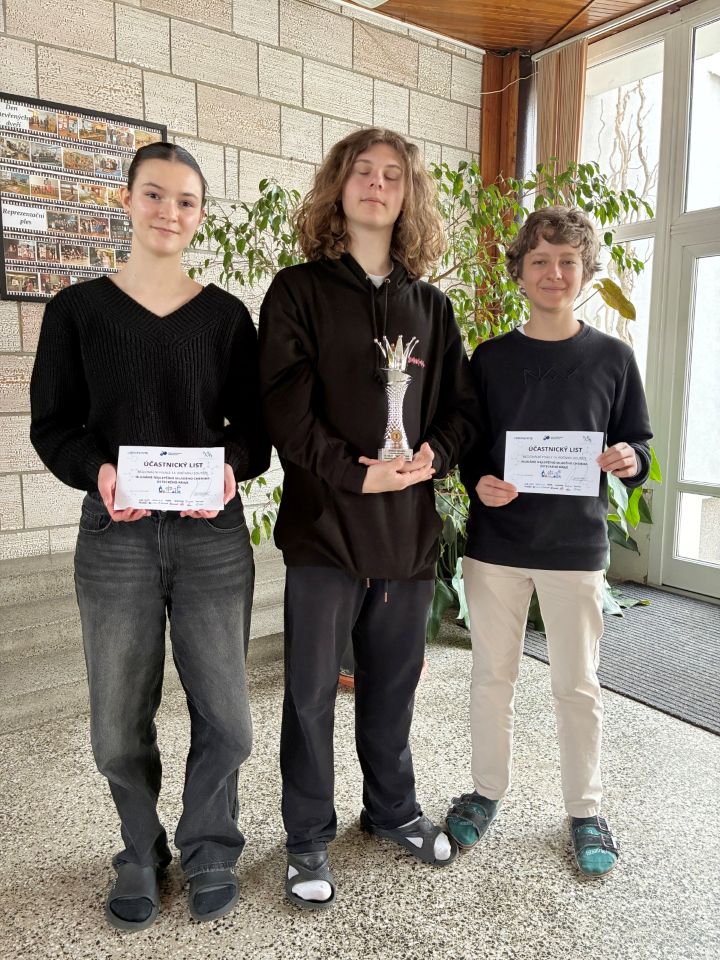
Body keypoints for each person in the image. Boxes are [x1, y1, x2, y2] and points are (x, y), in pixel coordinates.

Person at [30, 142, 270, 930]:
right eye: (155, 195)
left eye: (186, 200)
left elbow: (255, 431)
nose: (170, 211)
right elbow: (52, 426)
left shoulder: (227, 318)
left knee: (228, 717)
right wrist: (98, 472)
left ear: (201, 215)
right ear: (126, 200)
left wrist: (230, 469)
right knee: (115, 722)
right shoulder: (77, 312)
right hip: (116, 536)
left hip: (212, 537)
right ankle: (140, 850)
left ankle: (210, 845)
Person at [259, 127, 476, 909]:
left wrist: (434, 456)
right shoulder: (297, 292)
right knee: (312, 696)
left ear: (409, 195)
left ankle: (391, 810)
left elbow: (461, 409)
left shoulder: (433, 307)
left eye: (393, 175)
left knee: (393, 689)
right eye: (363, 171)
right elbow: (285, 410)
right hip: (324, 530)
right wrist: (357, 472)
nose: (378, 185)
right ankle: (307, 837)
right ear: (338, 186)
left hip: (407, 536)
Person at [445, 206, 653, 878]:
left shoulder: (614, 358)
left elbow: (639, 443)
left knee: (578, 685)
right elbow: (470, 448)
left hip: (575, 550)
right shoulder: (490, 359)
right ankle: (485, 792)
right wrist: (478, 482)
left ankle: (586, 810)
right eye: (540, 260)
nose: (554, 272)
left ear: (585, 271)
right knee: (491, 678)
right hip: (497, 547)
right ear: (520, 271)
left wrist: (629, 458)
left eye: (568, 261)